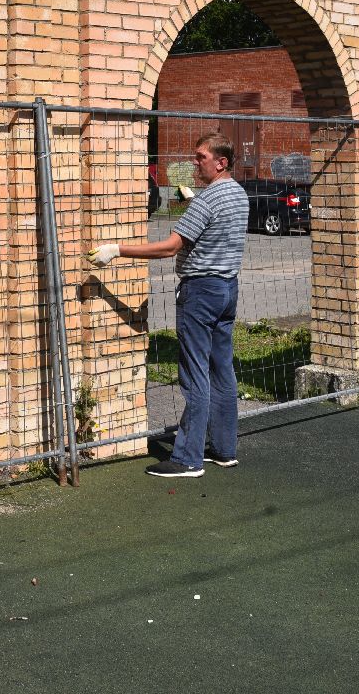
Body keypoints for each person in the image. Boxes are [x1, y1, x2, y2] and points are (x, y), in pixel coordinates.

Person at [88, 133, 249, 479]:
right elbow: (213, 231)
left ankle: (188, 458)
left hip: (200, 293)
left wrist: (116, 249)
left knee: (194, 375)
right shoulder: (237, 194)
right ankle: (224, 450)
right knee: (222, 370)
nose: (195, 162)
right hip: (227, 290)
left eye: (201, 157)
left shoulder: (207, 202)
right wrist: (193, 203)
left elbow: (168, 247)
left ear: (220, 162)